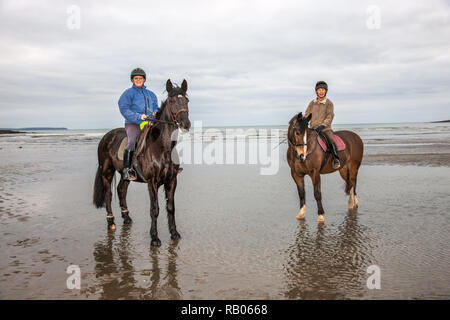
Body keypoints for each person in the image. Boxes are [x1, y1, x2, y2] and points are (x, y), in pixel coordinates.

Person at [118, 68, 159, 180]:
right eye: (136, 78)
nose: (138, 80)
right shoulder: (128, 93)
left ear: (144, 80)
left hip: (150, 123)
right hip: (133, 123)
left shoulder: (151, 94)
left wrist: (155, 112)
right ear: (132, 80)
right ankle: (127, 169)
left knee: (164, 137)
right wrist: (138, 116)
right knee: (132, 141)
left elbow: (155, 106)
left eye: (140, 78)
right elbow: (124, 109)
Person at [304, 81, 340, 169]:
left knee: (331, 140)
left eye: (323, 90)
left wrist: (323, 125)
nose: (321, 92)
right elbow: (307, 114)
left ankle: (336, 159)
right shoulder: (312, 103)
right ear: (316, 91)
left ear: (326, 91)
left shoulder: (329, 103)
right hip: (313, 128)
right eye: (319, 90)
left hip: (325, 129)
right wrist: (304, 121)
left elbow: (330, 116)